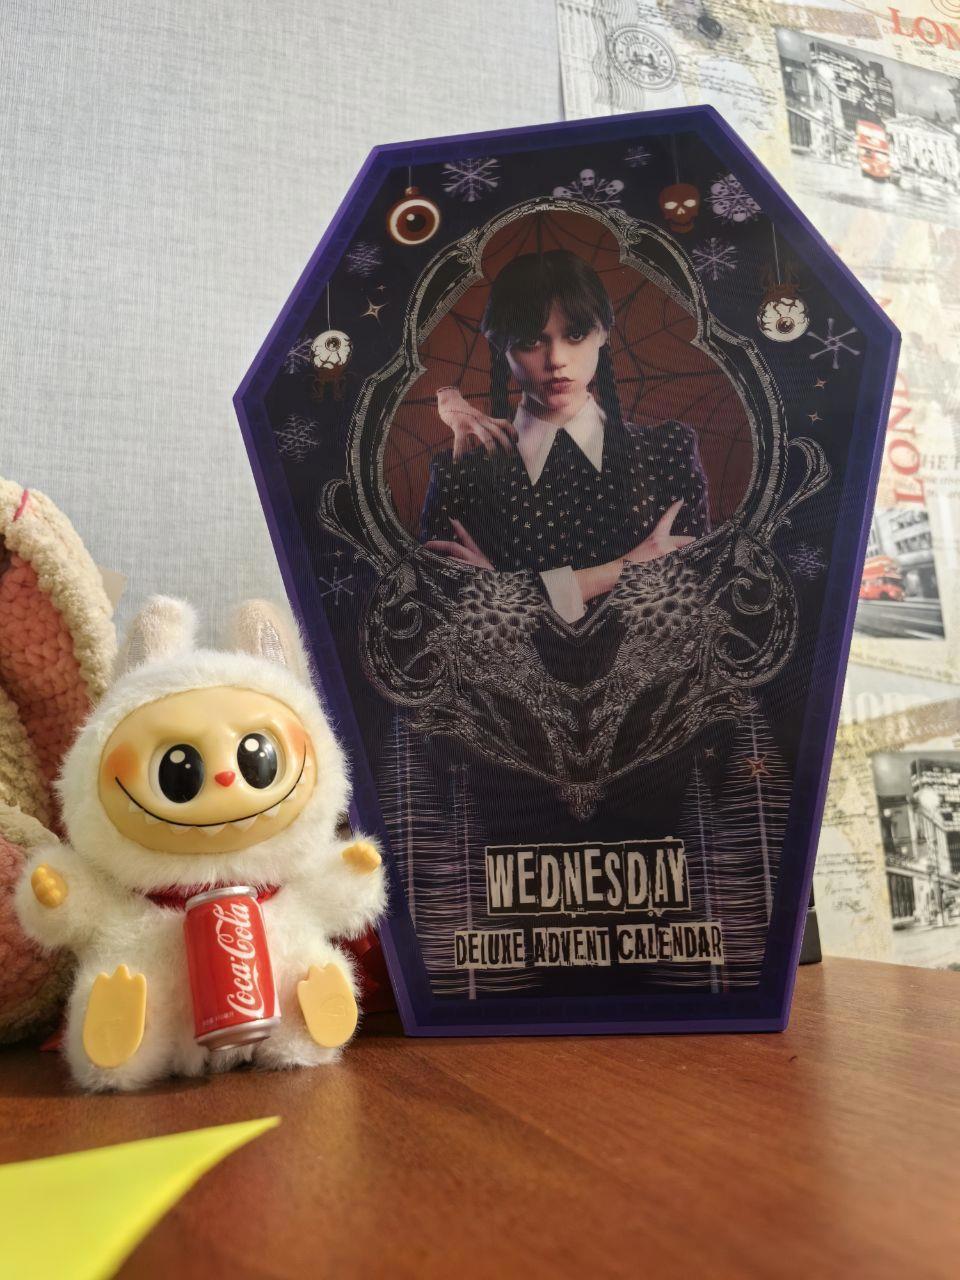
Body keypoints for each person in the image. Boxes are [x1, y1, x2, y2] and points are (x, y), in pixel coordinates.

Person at [419, 249, 710, 624]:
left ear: (603, 332)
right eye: (530, 341)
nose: (556, 359)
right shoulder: (459, 473)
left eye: (574, 334)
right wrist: (622, 569)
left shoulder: (667, 450)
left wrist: (503, 595)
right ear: (500, 345)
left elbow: (694, 598)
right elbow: (449, 617)